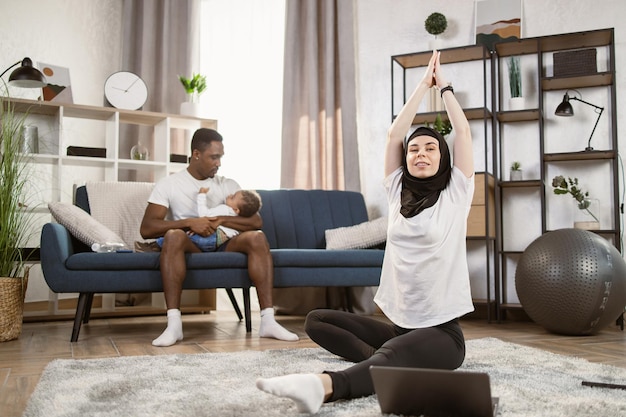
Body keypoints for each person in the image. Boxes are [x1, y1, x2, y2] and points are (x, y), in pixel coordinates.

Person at [256, 50, 474, 414]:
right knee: (317, 320)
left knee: (392, 352)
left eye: (431, 148)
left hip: (442, 336)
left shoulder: (456, 193)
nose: (420, 153)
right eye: (414, 149)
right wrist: (422, 85)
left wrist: (444, 87)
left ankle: (324, 386)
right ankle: (386, 364)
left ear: (443, 158)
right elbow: (394, 135)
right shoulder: (395, 190)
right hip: (399, 329)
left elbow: (463, 131)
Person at [140, 128, 299, 347]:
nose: (219, 163)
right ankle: (174, 324)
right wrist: (189, 222)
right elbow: (147, 228)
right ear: (196, 154)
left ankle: (268, 321)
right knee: (174, 236)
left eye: (221, 157)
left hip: (225, 243)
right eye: (214, 157)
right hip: (192, 244)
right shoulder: (169, 184)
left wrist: (221, 220)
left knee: (257, 237)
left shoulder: (228, 184)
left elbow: (255, 222)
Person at [155, 188, 262, 252]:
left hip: (210, 239)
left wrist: (201, 195)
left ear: (236, 209)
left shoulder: (225, 209)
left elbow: (204, 214)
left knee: (181, 237)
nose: (229, 195)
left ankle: (156, 244)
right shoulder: (241, 219)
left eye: (232, 197)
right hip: (218, 243)